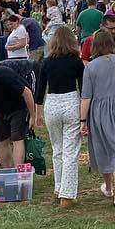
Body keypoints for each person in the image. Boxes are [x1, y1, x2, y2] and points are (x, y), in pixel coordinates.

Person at [80, 29, 115, 208]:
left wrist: (82, 121)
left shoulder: (90, 67)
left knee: (103, 149)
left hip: (99, 113)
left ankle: (108, 187)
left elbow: (86, 97)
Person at [34, 25, 83, 207]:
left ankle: (58, 187)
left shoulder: (46, 62)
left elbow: (40, 90)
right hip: (71, 102)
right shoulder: (76, 62)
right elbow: (83, 88)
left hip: (52, 104)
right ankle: (67, 194)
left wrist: (38, 113)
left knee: (57, 148)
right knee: (71, 150)